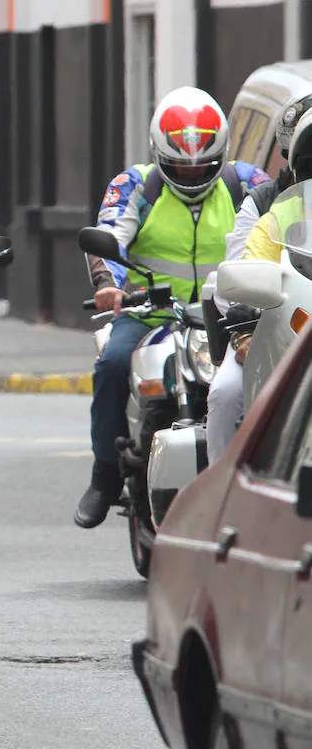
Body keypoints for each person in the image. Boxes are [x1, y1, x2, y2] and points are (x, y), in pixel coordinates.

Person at [74, 87, 269, 527]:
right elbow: (108, 238)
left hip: (229, 319)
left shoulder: (247, 183)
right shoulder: (135, 185)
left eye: (203, 161)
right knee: (111, 364)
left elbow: (273, 230)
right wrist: (108, 285)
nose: (193, 169)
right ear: (161, 155)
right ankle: (105, 472)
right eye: (182, 162)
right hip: (152, 316)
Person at [207, 94, 312, 462]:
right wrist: (246, 327)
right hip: (283, 338)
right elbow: (247, 271)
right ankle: (220, 500)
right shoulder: (276, 212)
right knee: (225, 394)